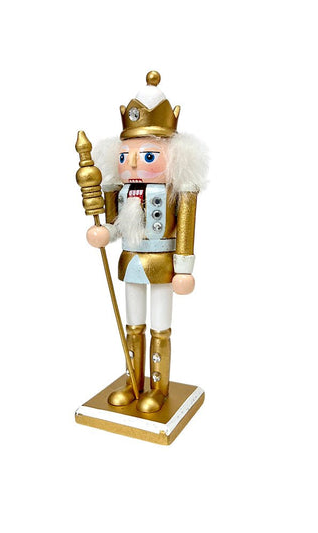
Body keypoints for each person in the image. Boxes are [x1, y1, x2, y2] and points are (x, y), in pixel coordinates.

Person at [85, 71, 208, 413]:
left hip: (162, 263)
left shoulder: (178, 191)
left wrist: (184, 268)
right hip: (131, 262)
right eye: (126, 157)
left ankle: (159, 387)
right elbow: (115, 225)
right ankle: (133, 381)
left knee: (160, 326)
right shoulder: (123, 191)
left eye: (149, 156)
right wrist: (104, 233)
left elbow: (185, 227)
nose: (135, 163)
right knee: (133, 324)